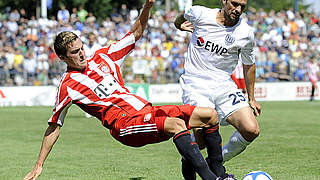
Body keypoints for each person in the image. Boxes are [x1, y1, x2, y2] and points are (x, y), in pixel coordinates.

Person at [23, 1, 225, 180]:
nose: (82, 54)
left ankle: (217, 173)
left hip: (147, 111)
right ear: (63, 57)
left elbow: (135, 34)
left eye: (81, 48)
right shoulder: (68, 86)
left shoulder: (104, 57)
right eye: (75, 52)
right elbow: (54, 127)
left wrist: (147, 7)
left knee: (210, 115)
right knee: (177, 125)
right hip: (124, 124)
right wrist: (38, 165)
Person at [174, 0, 261, 179]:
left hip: (224, 85)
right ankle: (190, 158)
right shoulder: (199, 13)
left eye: (242, 6)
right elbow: (180, 18)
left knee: (251, 129)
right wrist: (180, 26)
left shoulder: (245, 33)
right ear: (224, 1)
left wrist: (251, 98)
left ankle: (213, 162)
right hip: (195, 83)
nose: (237, 9)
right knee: (201, 140)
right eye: (234, 4)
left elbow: (249, 65)